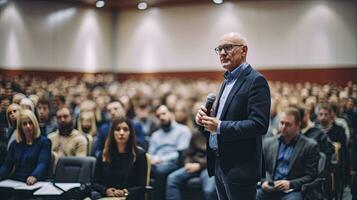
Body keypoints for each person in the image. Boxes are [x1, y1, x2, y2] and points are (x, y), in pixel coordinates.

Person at [195, 32, 271, 200]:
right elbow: (224, 118)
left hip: (240, 166)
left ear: (243, 50)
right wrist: (204, 120)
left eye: (228, 47)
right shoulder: (227, 81)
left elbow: (259, 125)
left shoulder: (256, 81)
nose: (222, 53)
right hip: (220, 162)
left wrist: (220, 126)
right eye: (219, 49)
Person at [257, 107, 320, 200]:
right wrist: (264, 182)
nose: (283, 127)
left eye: (288, 124)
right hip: (270, 187)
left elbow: (311, 176)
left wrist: (291, 183)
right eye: (282, 123)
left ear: (298, 125)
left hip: (292, 190)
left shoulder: (310, 146)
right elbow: (260, 169)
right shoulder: (268, 143)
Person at [93, 117, 147, 200]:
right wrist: (105, 190)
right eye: (117, 129)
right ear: (112, 133)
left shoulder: (139, 155)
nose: (121, 133)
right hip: (107, 198)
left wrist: (125, 192)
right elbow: (95, 182)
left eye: (125, 130)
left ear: (130, 133)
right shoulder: (104, 154)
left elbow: (142, 186)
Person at [149, 105, 192, 200]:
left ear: (171, 113)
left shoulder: (183, 130)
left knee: (160, 171)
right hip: (156, 164)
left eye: (164, 113)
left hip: (175, 163)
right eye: (158, 116)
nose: (161, 117)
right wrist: (152, 159)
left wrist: (161, 159)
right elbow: (150, 153)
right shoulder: (155, 135)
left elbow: (181, 153)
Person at [0, 110, 51, 184]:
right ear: (20, 127)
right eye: (24, 124)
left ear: (35, 124)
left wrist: (34, 176)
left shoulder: (44, 142)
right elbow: (7, 166)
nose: (28, 126)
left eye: (30, 123)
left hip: (34, 183)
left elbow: (42, 163)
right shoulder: (15, 144)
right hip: (16, 182)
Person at [166, 131, 216, 200]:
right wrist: (187, 163)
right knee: (172, 178)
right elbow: (188, 153)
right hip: (193, 164)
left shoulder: (217, 134)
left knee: (209, 190)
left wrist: (199, 166)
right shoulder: (196, 134)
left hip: (209, 166)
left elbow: (216, 157)